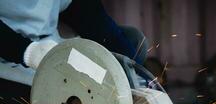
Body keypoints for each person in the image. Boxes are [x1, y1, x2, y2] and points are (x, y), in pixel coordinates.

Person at [0, 0, 148, 70]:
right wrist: (28, 52)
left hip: (50, 48)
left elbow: (86, 12)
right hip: (8, 59)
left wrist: (131, 66)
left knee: (134, 41)